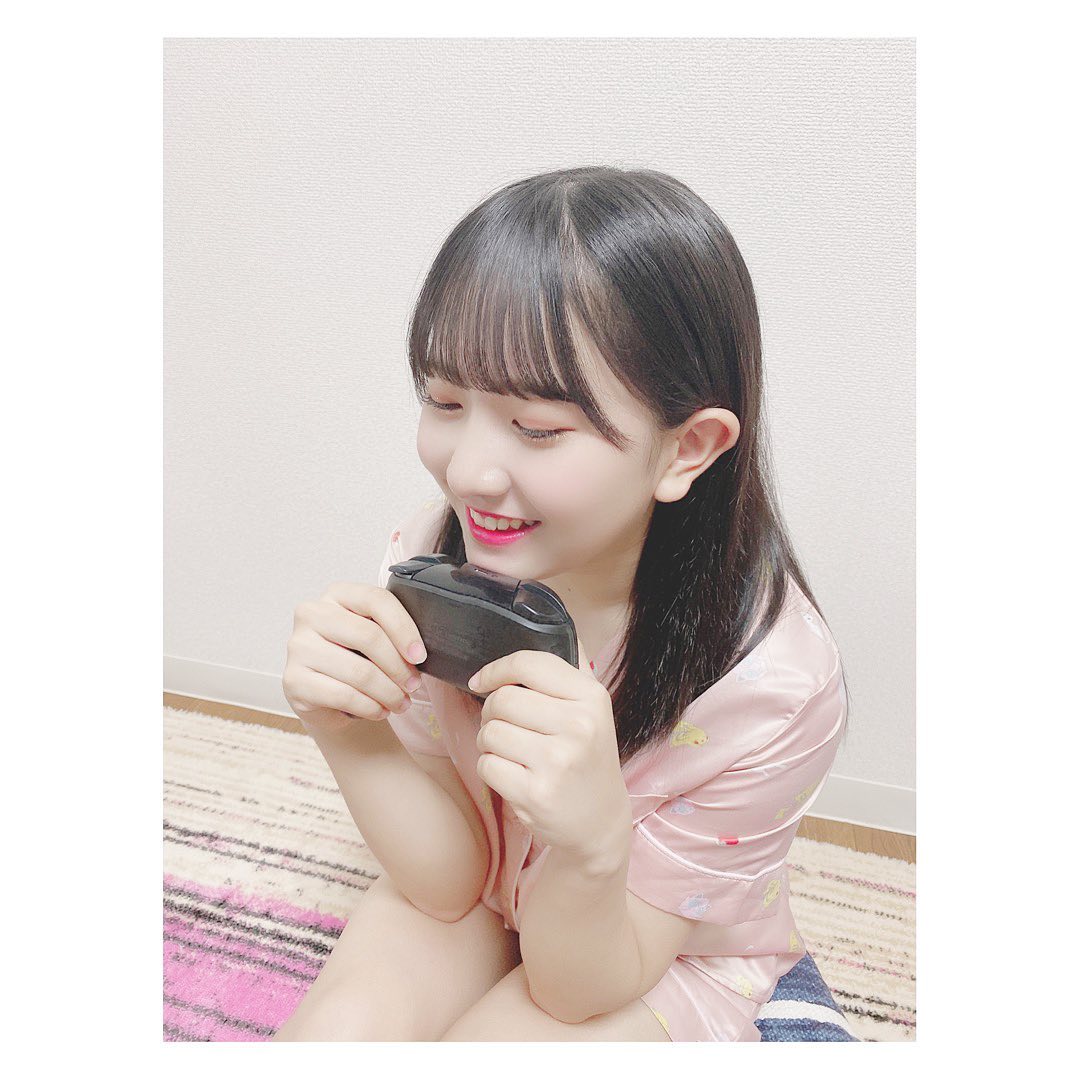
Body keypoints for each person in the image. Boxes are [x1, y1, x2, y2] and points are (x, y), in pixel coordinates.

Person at [277, 166, 851, 1042]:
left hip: (644, 947)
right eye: (444, 401)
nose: (469, 471)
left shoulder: (771, 690)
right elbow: (448, 884)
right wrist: (349, 733)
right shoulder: (433, 554)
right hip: (485, 888)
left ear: (687, 449)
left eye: (538, 428)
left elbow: (576, 990)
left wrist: (589, 844)